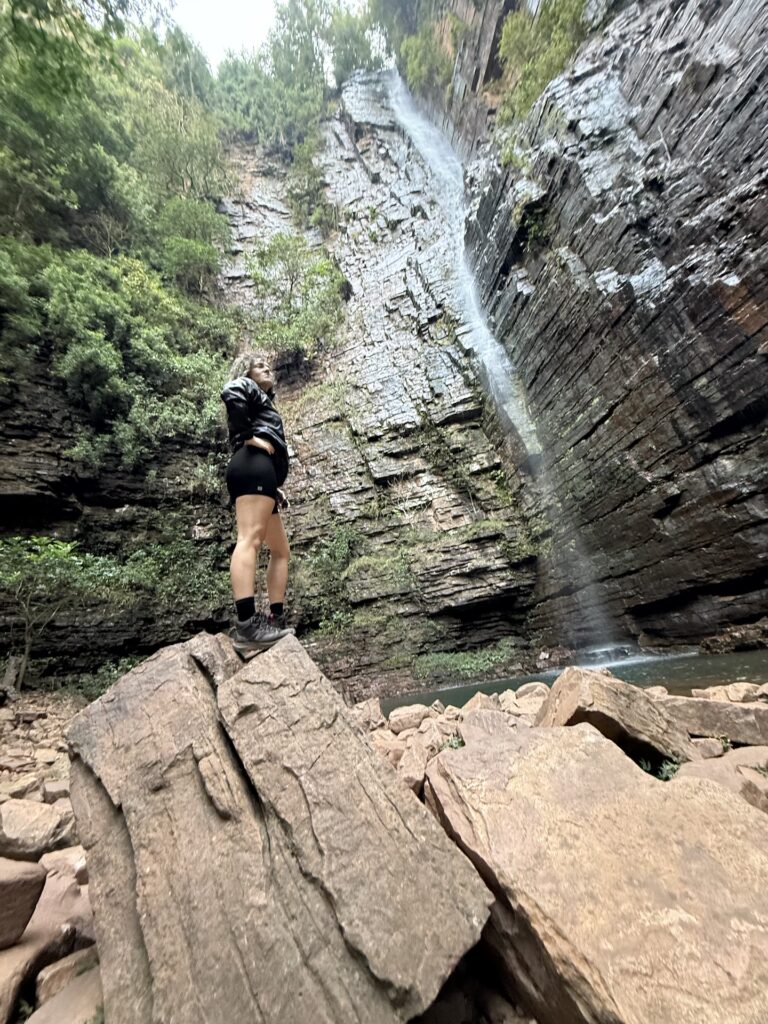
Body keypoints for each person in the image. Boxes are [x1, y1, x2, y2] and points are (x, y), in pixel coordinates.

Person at [221, 352, 294, 652]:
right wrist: (250, 438)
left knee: (280, 551)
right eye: (259, 366)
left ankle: (274, 619)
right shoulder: (246, 387)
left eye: (268, 366)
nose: (267, 369)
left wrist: (274, 486)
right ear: (248, 374)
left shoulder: (262, 402)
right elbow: (230, 391)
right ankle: (247, 625)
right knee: (249, 539)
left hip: (261, 474)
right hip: (252, 463)